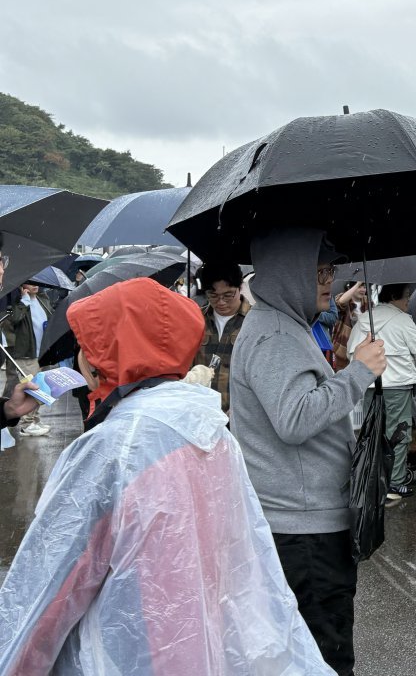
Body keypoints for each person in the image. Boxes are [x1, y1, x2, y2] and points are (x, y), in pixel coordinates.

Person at [0, 277, 335, 675]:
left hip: (130, 651)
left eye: (88, 346)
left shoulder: (113, 449)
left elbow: (49, 589)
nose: (81, 358)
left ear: (110, 354)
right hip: (207, 644)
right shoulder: (210, 432)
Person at [228, 228, 386, 676]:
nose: (327, 281)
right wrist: (357, 374)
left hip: (305, 521)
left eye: (330, 270)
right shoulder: (275, 334)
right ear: (285, 273)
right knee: (326, 655)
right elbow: (295, 419)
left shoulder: (285, 325)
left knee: (308, 653)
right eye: (317, 270)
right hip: (304, 532)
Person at [348, 282, 416, 501]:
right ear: (394, 296)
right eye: (407, 297)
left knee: (372, 432)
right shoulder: (403, 320)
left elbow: (351, 349)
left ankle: (372, 477)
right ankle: (395, 482)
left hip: (370, 383)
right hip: (398, 385)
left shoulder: (366, 319)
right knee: (398, 433)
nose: (408, 302)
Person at [192, 259, 251, 413]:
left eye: (228, 295)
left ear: (240, 288)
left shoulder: (254, 322)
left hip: (239, 418)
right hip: (200, 414)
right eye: (213, 295)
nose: (221, 302)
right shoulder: (195, 320)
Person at [2, 282, 55, 437]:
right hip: (26, 353)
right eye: (31, 282)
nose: (35, 286)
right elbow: (14, 321)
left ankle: (34, 419)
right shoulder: (17, 303)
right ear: (22, 284)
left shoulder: (42, 298)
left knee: (40, 387)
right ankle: (27, 423)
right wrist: (24, 301)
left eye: (37, 282)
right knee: (31, 388)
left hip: (42, 351)